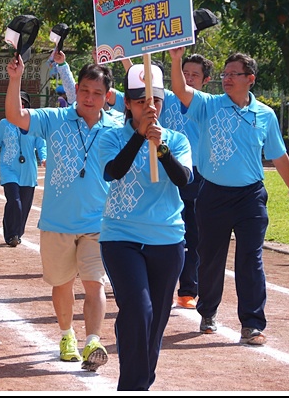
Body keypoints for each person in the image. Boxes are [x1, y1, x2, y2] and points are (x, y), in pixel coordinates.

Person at [168, 47, 289, 346]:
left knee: (250, 259)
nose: (227, 79)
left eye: (234, 74)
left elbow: (278, 156)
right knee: (211, 259)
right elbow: (180, 88)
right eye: (225, 74)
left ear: (250, 78)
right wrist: (177, 60)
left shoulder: (264, 114)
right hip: (213, 194)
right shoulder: (208, 105)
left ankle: (252, 323)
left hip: (251, 197)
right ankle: (208, 311)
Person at [5, 54, 119, 372]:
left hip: (99, 222)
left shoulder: (118, 127)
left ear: (107, 96)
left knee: (94, 282)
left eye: (97, 93)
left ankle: (93, 340)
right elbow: (15, 115)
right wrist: (15, 79)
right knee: (62, 283)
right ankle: (67, 335)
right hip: (57, 221)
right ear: (77, 89)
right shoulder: (55, 119)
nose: (89, 98)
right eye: (84, 90)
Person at [98, 63, 192, 390]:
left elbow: (183, 179)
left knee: (154, 322)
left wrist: (160, 147)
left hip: (166, 239)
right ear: (127, 103)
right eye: (140, 101)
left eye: (156, 101)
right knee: (138, 309)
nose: (149, 108)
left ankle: (142, 379)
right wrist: (139, 138)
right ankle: (133, 386)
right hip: (120, 237)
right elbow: (113, 171)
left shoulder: (176, 140)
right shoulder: (110, 136)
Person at [159, 53, 212, 310]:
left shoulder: (208, 106)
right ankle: (161, 283)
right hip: (170, 172)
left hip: (198, 176)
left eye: (195, 75)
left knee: (196, 235)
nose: (189, 78)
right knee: (167, 231)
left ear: (206, 80)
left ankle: (188, 289)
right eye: (185, 72)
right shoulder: (167, 99)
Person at [0, 90, 47, 247]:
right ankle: (11, 235)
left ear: (26, 105)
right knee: (14, 202)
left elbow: (41, 144)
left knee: (25, 206)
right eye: (16, 102)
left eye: (22, 103)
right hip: (9, 169)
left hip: (28, 171)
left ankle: (17, 234)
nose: (19, 105)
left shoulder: (34, 124)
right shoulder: (4, 124)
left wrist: (43, 158)